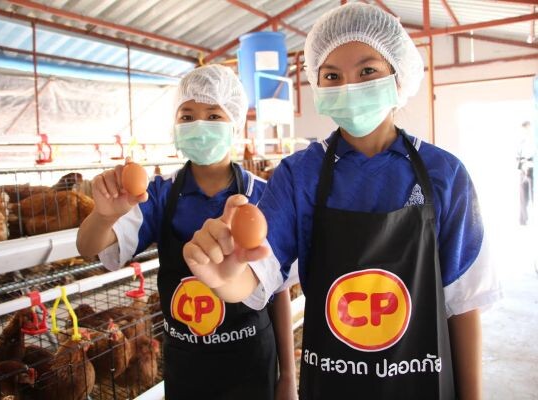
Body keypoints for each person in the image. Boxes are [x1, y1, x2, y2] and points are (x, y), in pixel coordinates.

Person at [183, 4, 502, 400]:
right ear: (317, 86)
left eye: (367, 71)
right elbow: (255, 273)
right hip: (334, 381)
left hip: (423, 383)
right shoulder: (299, 175)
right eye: (332, 75)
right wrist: (224, 277)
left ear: (398, 77)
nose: (349, 86)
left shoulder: (445, 174)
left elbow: (464, 303)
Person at [76, 64, 297, 400]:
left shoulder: (263, 195)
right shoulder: (160, 195)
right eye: (187, 115)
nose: (199, 125)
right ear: (175, 126)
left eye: (213, 116)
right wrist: (104, 216)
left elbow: (277, 289)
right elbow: (88, 245)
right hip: (186, 364)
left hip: (250, 361)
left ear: (234, 124)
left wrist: (288, 378)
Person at [517, 121, 534, 225]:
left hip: (532, 171)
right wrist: (523, 165)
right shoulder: (522, 143)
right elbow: (518, 158)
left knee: (533, 195)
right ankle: (523, 220)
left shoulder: (534, 142)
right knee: (523, 196)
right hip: (523, 171)